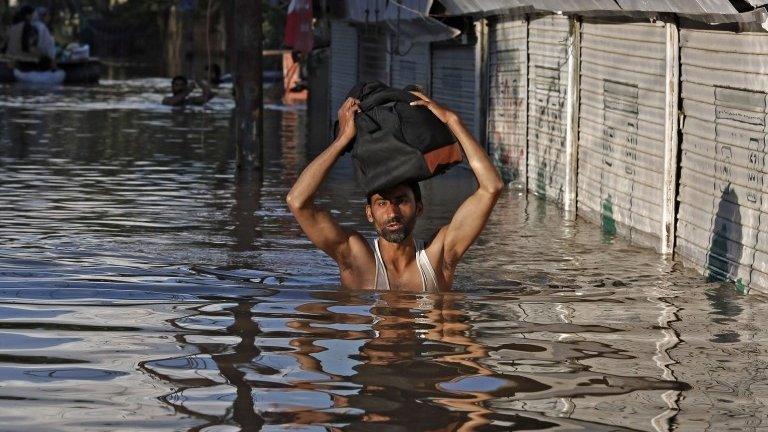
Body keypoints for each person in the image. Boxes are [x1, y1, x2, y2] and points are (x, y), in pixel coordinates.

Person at [286, 92, 503, 292]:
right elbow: (297, 201)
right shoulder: (357, 260)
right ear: (369, 213)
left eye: (401, 201)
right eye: (382, 203)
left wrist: (452, 121)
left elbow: (491, 187)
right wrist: (342, 140)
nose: (392, 212)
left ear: (418, 207)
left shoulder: (438, 257)